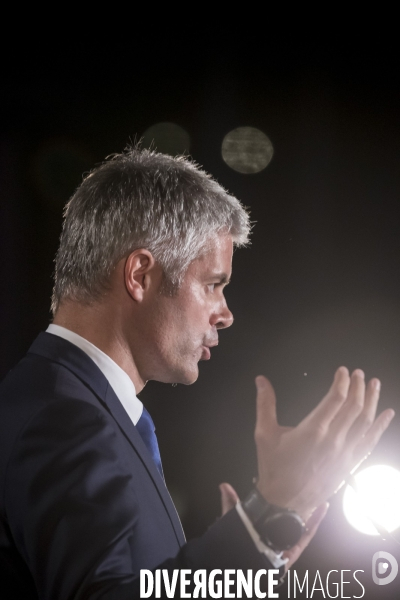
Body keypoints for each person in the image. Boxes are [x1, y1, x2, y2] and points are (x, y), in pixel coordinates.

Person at [0, 147, 394, 599]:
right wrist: (263, 523)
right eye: (213, 285)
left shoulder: (70, 405)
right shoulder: (63, 418)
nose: (225, 314)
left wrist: (247, 562)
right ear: (140, 275)